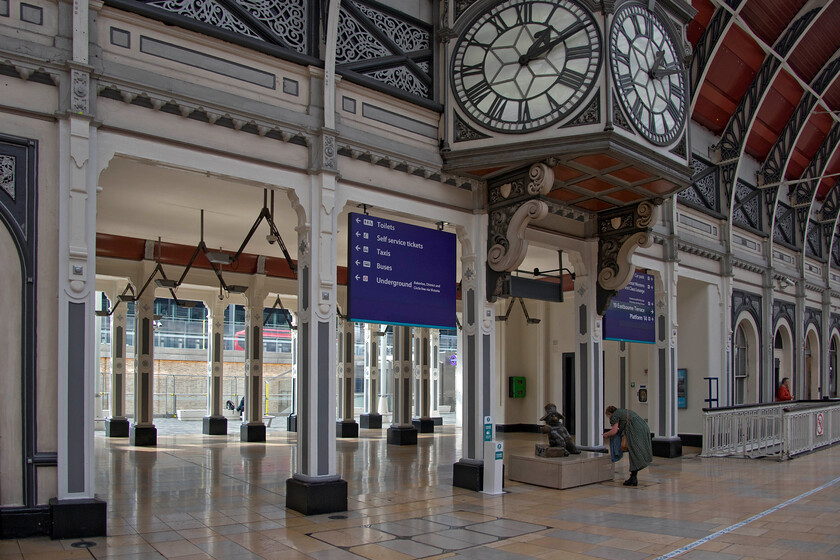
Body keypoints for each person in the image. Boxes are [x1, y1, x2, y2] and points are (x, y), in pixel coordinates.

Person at [602, 405, 653, 486]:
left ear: (609, 413)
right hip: (643, 427)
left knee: (634, 452)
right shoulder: (622, 411)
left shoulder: (614, 416)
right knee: (637, 451)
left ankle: (633, 478)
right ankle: (633, 476)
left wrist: (606, 434)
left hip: (635, 430)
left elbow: (614, 431)